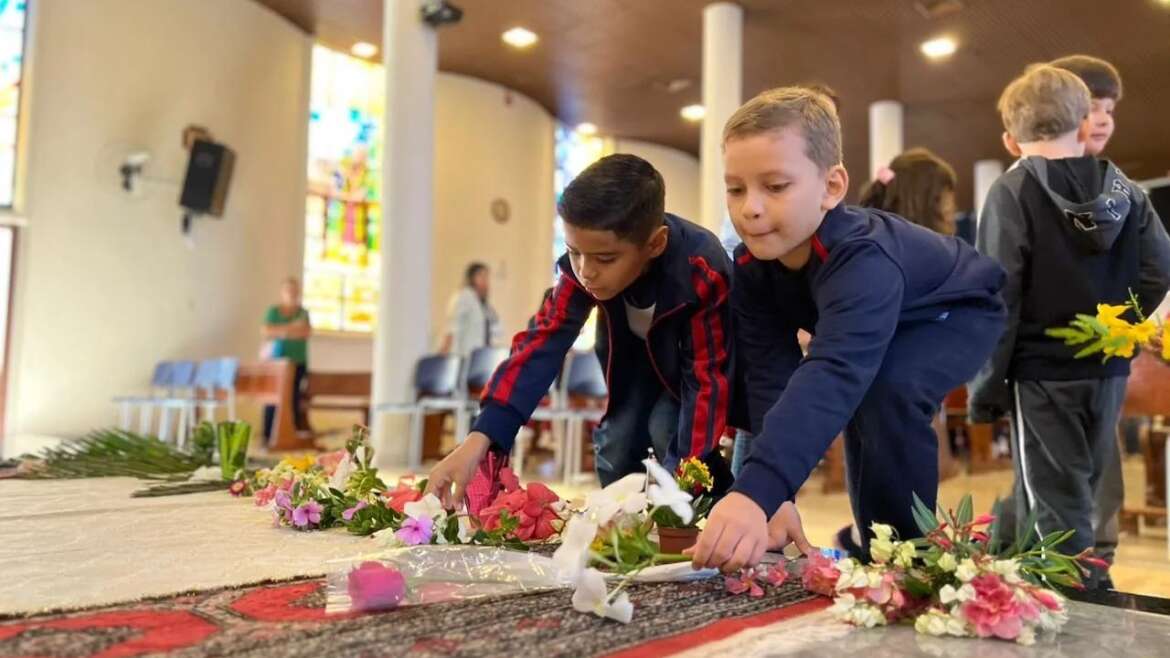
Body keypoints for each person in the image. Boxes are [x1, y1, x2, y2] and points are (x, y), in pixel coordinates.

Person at [688, 87, 1006, 573]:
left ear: (832, 188)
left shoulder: (863, 258)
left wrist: (754, 491)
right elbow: (772, 379)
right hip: (892, 316)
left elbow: (835, 371)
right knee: (864, 386)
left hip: (959, 308)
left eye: (774, 186)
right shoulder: (752, 266)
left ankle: (906, 561)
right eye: (736, 189)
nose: (750, 207)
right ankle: (876, 542)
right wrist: (776, 497)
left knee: (886, 387)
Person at [425, 153, 734, 511]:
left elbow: (707, 380)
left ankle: (709, 513)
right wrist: (480, 437)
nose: (586, 272)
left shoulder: (701, 270)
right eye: (573, 252)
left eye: (605, 259)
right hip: (635, 372)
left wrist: (672, 500)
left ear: (655, 244)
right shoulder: (582, 268)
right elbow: (541, 343)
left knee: (669, 431)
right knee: (617, 444)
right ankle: (624, 527)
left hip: (692, 376)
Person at [968, 64, 1170, 588]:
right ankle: (1093, 584)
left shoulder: (1010, 193)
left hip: (1041, 372)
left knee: (1053, 497)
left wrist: (986, 387)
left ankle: (1079, 601)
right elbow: (1160, 269)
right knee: (1092, 479)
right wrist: (1117, 326)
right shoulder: (1125, 189)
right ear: (1084, 126)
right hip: (1109, 368)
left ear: (1011, 140)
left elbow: (1000, 294)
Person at [261, 277, 312, 441]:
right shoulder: (274, 311)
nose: (291, 293)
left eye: (294, 290)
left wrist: (282, 331)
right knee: (272, 397)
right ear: (282, 292)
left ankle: (289, 434)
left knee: (293, 397)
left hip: (297, 362)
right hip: (276, 363)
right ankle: (268, 434)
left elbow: (305, 333)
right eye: (288, 289)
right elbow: (267, 330)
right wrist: (292, 329)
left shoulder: (303, 312)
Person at [439, 262, 500, 358]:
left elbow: (493, 329)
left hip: (482, 355)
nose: (485, 280)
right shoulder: (465, 296)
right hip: (465, 355)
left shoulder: (484, 305)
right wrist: (444, 351)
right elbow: (453, 325)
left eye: (486, 276)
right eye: (481, 276)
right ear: (471, 278)